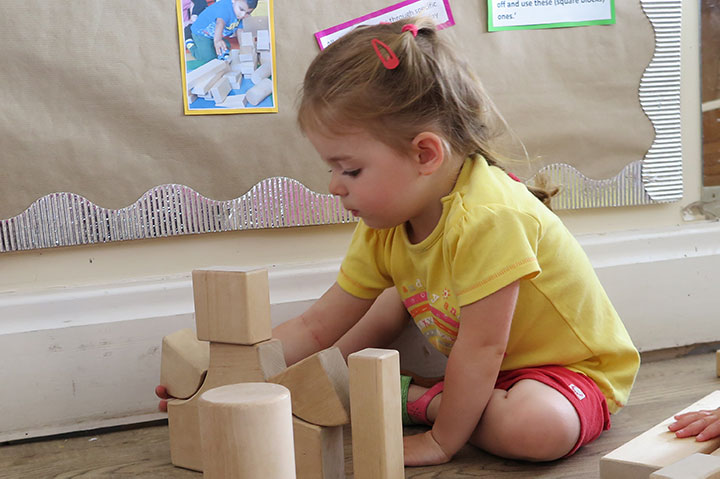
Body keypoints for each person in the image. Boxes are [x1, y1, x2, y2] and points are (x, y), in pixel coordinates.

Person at [158, 16, 640, 466]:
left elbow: (483, 349)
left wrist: (441, 440)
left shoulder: (490, 216)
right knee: (387, 303)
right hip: (485, 375)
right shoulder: (383, 225)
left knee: (537, 429)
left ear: (425, 154)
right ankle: (393, 393)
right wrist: (222, 379)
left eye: (350, 169)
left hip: (567, 374)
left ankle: (420, 401)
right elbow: (317, 327)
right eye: (331, 169)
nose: (334, 185)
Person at [186, 0, 256, 68]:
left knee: (225, 46)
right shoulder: (224, 7)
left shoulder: (240, 12)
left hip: (214, 34)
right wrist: (218, 40)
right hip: (201, 33)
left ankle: (215, 43)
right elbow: (220, 23)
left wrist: (244, 47)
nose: (243, 15)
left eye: (248, 13)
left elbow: (240, 30)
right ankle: (189, 41)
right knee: (208, 57)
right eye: (241, 9)